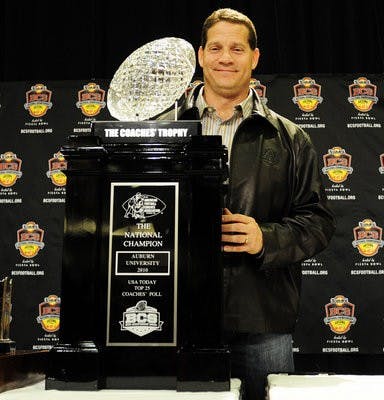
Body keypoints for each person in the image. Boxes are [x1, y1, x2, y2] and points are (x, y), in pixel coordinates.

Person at [160, 7, 336, 400]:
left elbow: (319, 221)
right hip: (174, 317)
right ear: (201, 55)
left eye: (237, 49)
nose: (226, 58)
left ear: (255, 58)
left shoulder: (291, 138)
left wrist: (267, 239)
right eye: (216, 48)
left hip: (262, 320)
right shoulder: (164, 129)